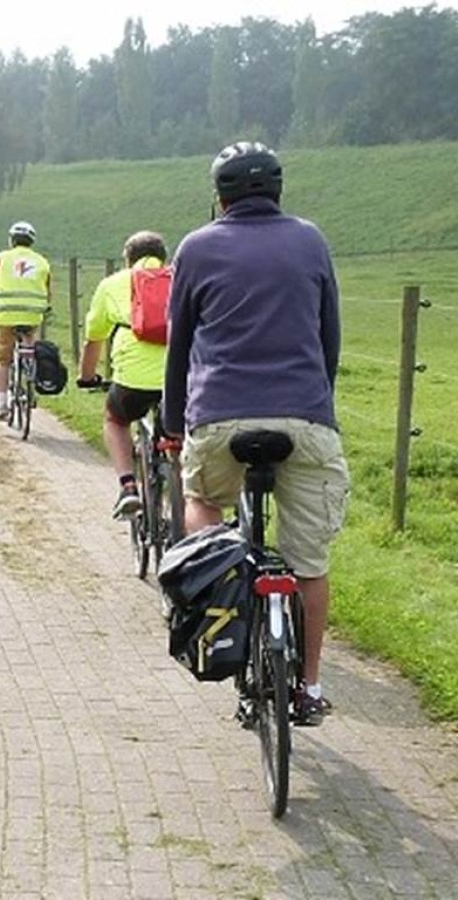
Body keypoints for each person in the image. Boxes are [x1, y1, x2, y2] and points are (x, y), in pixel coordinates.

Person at [163, 141, 349, 727]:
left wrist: (174, 425)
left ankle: (221, 583)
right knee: (309, 563)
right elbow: (329, 336)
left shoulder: (196, 247)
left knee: (201, 499)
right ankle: (309, 687)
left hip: (220, 417)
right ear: (278, 190)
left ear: (219, 197)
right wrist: (316, 403)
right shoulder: (311, 240)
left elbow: (179, 345)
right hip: (305, 416)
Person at [76, 231, 169, 519]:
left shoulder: (112, 284)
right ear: (164, 258)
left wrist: (86, 377)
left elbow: (94, 339)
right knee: (179, 432)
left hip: (132, 378)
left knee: (115, 420)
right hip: (179, 376)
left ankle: (128, 486)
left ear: (128, 259)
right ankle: (185, 496)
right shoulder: (181, 278)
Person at [0, 221, 52, 422]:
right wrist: (45, 306)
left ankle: (2, 405)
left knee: (4, 360)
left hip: (6, 313)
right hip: (32, 313)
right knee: (29, 342)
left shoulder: (2, 258)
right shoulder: (42, 261)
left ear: (11, 240)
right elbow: (47, 291)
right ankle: (30, 373)